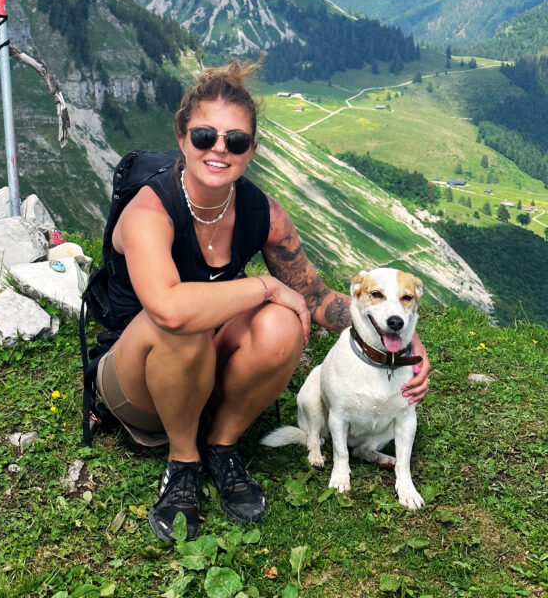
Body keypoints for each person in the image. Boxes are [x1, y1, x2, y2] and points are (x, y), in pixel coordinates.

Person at [95, 61, 430, 542]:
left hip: (203, 368)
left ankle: (222, 446)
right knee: (183, 323)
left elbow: (316, 300)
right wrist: (265, 286)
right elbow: (169, 308)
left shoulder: (263, 213)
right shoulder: (149, 209)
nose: (218, 149)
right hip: (135, 379)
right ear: (182, 135)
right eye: (204, 135)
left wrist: (406, 340)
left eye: (235, 140)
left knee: (283, 322)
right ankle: (183, 462)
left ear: (251, 150)